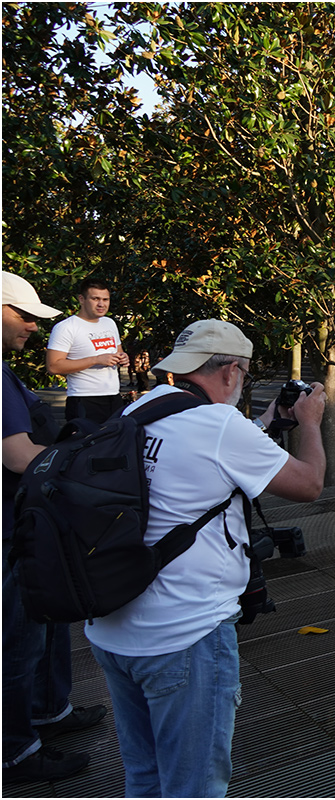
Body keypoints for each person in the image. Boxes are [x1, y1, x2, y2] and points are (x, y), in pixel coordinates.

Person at [84, 319, 328, 797]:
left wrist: (266, 422)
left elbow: (209, 454)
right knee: (194, 786)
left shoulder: (143, 407)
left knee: (146, 775)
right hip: (184, 636)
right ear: (233, 370)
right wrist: (311, 423)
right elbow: (309, 484)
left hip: (112, 629)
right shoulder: (219, 426)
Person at [2, 271, 107, 783]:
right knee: (17, 642)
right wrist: (82, 458)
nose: (30, 326)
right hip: (12, 530)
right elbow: (20, 457)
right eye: (22, 316)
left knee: (45, 622)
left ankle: (51, 711)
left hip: (27, 523)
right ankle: (16, 752)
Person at [46, 277, 130, 425]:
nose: (101, 304)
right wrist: (95, 360)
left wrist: (123, 358)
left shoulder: (109, 323)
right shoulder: (66, 327)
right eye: (95, 299)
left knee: (113, 445)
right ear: (81, 299)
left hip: (114, 397)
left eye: (105, 299)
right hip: (84, 399)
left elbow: (118, 352)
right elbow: (53, 366)